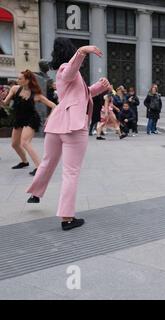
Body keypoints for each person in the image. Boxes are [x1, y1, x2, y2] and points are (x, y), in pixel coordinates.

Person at [26, 38, 111, 231]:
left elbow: (80, 95)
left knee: (48, 162)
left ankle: (35, 193)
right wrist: (82, 51)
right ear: (71, 51)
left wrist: (100, 87)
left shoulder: (63, 73)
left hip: (57, 124)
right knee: (70, 172)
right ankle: (67, 218)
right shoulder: (67, 68)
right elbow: (71, 72)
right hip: (73, 127)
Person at [0, 70, 56, 176]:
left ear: (27, 81)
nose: (18, 80)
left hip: (31, 119)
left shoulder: (36, 95)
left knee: (25, 142)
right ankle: (24, 162)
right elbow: (5, 104)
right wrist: (1, 100)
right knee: (15, 144)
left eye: (20, 79)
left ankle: (40, 168)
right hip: (19, 119)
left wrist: (50, 117)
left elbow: (54, 106)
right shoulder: (14, 89)